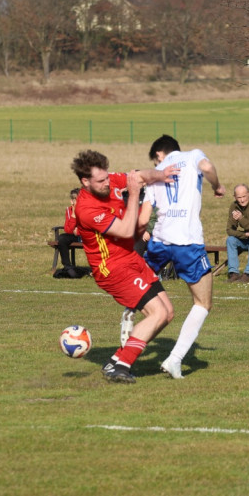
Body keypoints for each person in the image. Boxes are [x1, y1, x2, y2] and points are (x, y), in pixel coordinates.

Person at [70, 149, 179, 384]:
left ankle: (117, 360)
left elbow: (139, 176)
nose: (107, 183)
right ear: (84, 181)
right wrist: (134, 194)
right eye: (100, 181)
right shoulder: (86, 208)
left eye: (107, 177)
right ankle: (122, 367)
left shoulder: (108, 182)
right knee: (156, 313)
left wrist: (161, 174)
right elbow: (127, 230)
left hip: (130, 259)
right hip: (112, 269)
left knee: (167, 313)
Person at [139, 134, 225, 379]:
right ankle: (175, 359)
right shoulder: (193, 155)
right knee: (203, 303)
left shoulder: (155, 171)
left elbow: (144, 219)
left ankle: (128, 323)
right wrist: (216, 186)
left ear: (159, 154)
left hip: (159, 241)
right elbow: (207, 167)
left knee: (140, 286)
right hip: (187, 243)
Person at [54, 188, 81, 276]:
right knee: (62, 238)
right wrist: (73, 215)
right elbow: (68, 229)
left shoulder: (87, 210)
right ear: (72, 201)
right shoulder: (69, 211)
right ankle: (68, 267)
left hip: (86, 236)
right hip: (74, 236)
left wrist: (78, 232)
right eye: (78, 200)